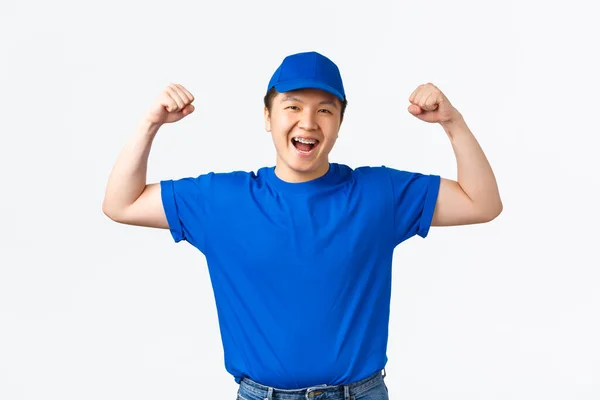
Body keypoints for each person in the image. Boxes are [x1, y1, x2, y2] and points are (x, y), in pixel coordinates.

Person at [102, 51, 502, 400]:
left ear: (340, 122)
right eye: (292, 106)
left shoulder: (380, 194)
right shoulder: (221, 200)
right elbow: (122, 203)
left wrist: (453, 123)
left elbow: (481, 202)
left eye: (325, 110)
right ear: (267, 116)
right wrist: (150, 123)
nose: (308, 122)